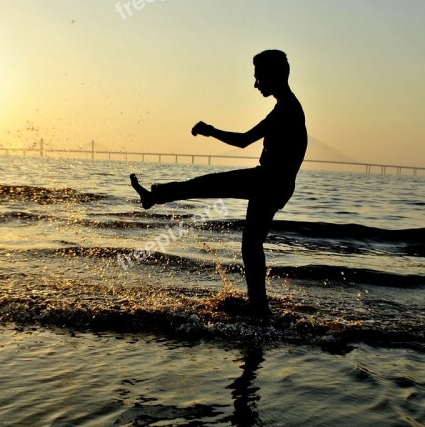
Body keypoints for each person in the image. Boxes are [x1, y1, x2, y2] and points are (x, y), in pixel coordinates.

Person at [131, 49, 307, 316]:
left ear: (275, 75)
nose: (256, 84)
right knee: (251, 242)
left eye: (259, 77)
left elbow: (244, 140)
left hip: (268, 181)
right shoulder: (287, 108)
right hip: (275, 183)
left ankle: (154, 197)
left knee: (208, 184)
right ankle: (259, 307)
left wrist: (210, 131)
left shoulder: (287, 111)